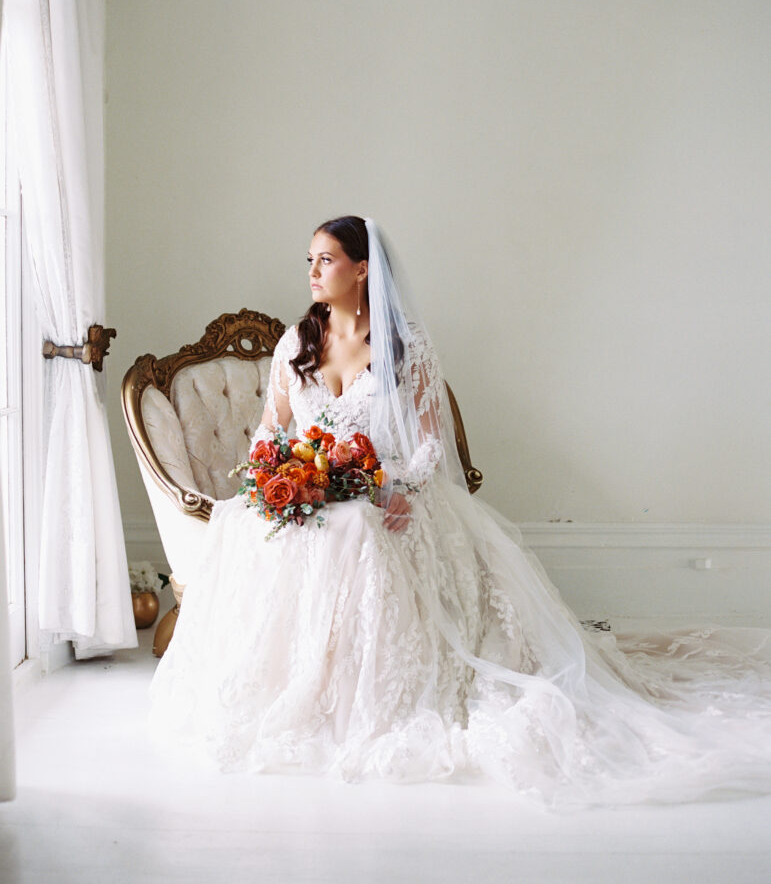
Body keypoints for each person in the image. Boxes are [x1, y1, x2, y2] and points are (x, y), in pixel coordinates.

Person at [149, 216, 771, 808]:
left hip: (387, 489)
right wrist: (276, 471)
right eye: (309, 261)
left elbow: (426, 445)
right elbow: (270, 429)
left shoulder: (402, 346)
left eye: (327, 260)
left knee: (360, 527)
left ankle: (363, 696)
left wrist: (399, 489)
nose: (313, 272)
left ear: (363, 270)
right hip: (316, 487)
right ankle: (293, 688)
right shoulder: (296, 342)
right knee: (268, 527)